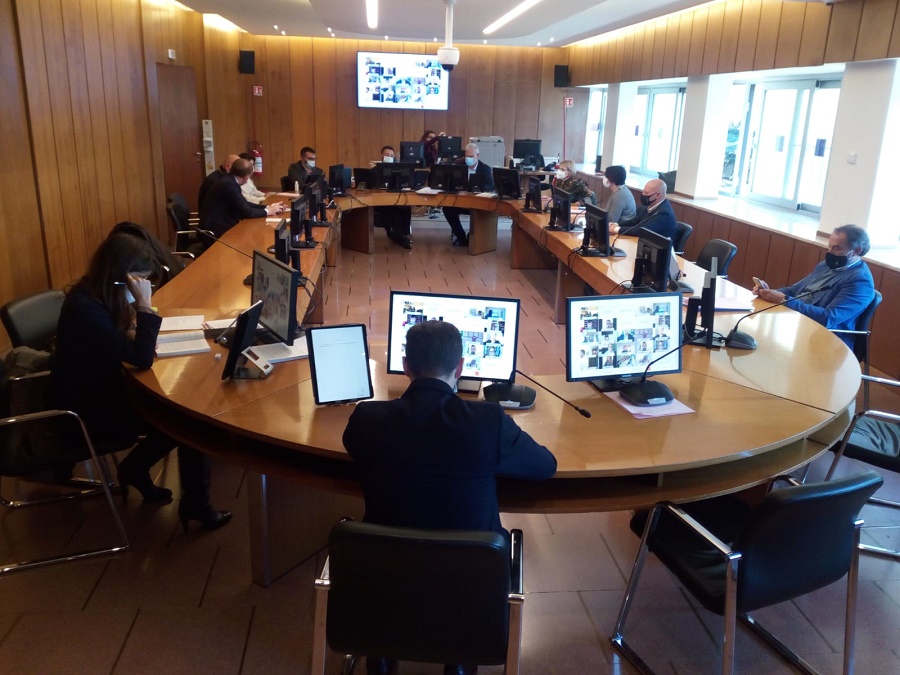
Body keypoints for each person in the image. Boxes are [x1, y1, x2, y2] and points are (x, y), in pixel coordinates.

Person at [343, 320, 556, 675]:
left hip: (384, 577)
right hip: (470, 587)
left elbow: (355, 447)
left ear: (407, 366)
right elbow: (545, 466)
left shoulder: (368, 419)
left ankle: (380, 651)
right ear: (460, 368)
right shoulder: (488, 421)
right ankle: (458, 659)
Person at [51, 233, 231, 530]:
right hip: (84, 413)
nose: (141, 289)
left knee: (180, 416)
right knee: (189, 422)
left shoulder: (95, 294)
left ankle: (137, 470)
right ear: (119, 276)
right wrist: (145, 307)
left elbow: (125, 342)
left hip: (103, 390)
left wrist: (137, 319)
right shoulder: (86, 308)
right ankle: (192, 502)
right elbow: (142, 357)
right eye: (138, 282)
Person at [754, 224, 875, 349]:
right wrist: (768, 292)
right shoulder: (827, 265)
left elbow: (828, 318)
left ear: (856, 251)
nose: (830, 252)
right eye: (830, 247)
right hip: (797, 321)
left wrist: (784, 300)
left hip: (825, 340)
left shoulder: (860, 281)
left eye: (837, 248)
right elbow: (794, 290)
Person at [199, 158, 285, 239]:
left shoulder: (229, 180)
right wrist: (269, 211)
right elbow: (247, 212)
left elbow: (244, 203)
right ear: (246, 177)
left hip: (221, 226)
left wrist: (268, 207)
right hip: (216, 232)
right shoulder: (229, 185)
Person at [443, 143, 495, 247]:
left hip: (478, 203)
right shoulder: (458, 166)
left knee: (482, 212)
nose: (468, 159)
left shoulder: (485, 169)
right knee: (447, 209)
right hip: (461, 202)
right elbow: (450, 183)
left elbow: (490, 187)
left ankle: (473, 236)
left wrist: (476, 191)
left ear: (477, 155)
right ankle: (461, 237)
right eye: (466, 156)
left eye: (471, 157)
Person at [608, 178, 677, 241]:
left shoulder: (664, 214)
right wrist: (617, 224)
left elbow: (641, 230)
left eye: (646, 193)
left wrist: (616, 229)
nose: (643, 195)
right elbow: (635, 221)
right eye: (643, 192)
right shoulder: (648, 206)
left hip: (660, 251)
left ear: (657, 195)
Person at [374, 145, 412, 249]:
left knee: (405, 206)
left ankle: (404, 235)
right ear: (381, 155)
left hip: (395, 198)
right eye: (387, 154)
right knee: (388, 208)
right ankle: (394, 234)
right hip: (379, 201)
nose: (389, 157)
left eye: (391, 155)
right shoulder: (375, 169)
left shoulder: (398, 170)